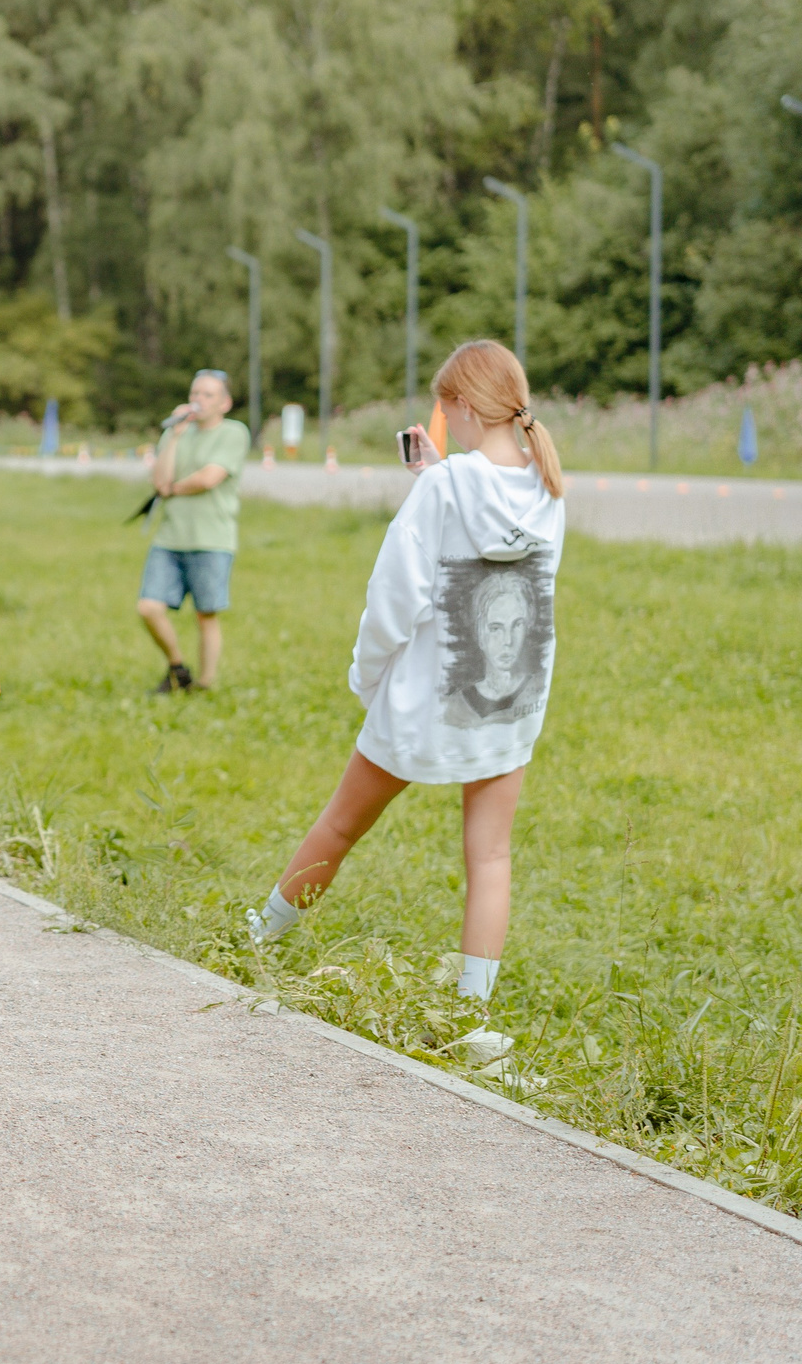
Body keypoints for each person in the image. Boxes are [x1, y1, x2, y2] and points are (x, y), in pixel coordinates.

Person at [248, 341, 565, 1066]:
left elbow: (395, 600)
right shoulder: (547, 485)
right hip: (508, 701)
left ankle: (259, 940)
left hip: (426, 699)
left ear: (459, 405)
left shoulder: (445, 487)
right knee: (491, 855)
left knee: (339, 825)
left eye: (445, 404)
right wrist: (434, 481)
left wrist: (368, 679)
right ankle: (469, 1011)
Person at [135, 369, 250, 692]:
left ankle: (205, 683)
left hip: (212, 538)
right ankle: (177, 666)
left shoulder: (233, 433)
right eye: (194, 393)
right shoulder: (176, 432)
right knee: (148, 607)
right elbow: (159, 481)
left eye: (208, 395)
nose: (198, 400)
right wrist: (174, 437)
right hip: (170, 537)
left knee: (206, 614)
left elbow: (208, 479)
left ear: (224, 403)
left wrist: (172, 490)